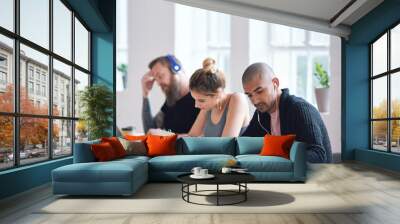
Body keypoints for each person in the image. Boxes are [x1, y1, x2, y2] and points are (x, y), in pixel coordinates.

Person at [241, 62, 332, 163]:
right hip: (285, 176)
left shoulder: (299, 109)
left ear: (275, 83)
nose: (255, 101)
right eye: (249, 95)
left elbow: (318, 155)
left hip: (315, 177)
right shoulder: (261, 114)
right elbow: (243, 144)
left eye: (259, 91)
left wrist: (278, 160)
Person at [184, 58, 250, 137]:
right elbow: (192, 136)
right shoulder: (208, 106)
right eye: (195, 99)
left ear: (218, 93)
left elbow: (226, 144)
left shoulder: (237, 99)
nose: (196, 105)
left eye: (201, 100)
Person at [141, 55, 200, 134]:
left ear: (176, 69)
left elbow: (201, 137)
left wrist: (168, 136)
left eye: (160, 76)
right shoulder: (171, 101)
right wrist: (145, 95)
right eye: (156, 79)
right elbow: (150, 131)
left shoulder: (200, 99)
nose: (158, 83)